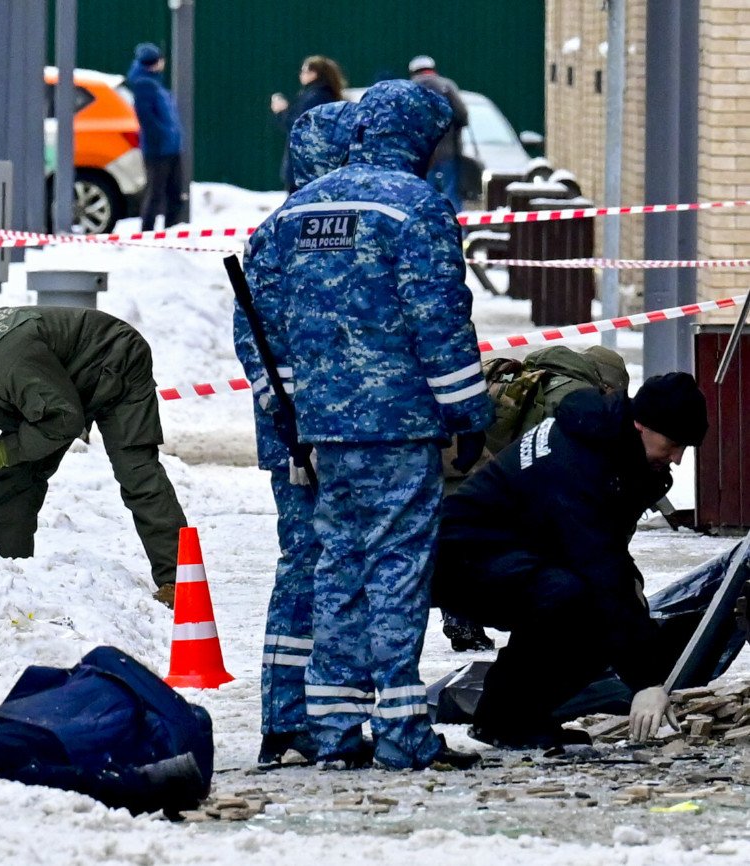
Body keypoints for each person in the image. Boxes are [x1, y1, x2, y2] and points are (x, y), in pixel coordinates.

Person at [247, 79, 492, 770]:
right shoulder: (415, 206)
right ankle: (403, 731)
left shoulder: (297, 210)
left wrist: (290, 413)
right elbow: (439, 319)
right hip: (397, 425)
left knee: (336, 567)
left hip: (323, 430)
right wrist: (468, 410)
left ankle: (331, 728)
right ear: (417, 138)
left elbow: (266, 329)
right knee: (398, 568)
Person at [433, 373, 709, 748]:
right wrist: (646, 681)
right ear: (640, 425)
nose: (677, 458)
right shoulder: (577, 460)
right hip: (462, 559)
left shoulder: (608, 442)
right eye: (673, 444)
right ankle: (508, 719)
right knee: (578, 603)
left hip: (512, 553)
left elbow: (605, 554)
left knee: (601, 603)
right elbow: (599, 568)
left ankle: (506, 717)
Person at [0, 306, 188, 605]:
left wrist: (3, 450)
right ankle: (11, 579)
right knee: (16, 477)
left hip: (112, 360)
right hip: (52, 388)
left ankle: (180, 581)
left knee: (136, 472)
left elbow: (64, 418)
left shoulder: (5, 365)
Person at [239, 99, 361, 765]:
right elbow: (262, 343)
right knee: (315, 564)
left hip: (314, 426)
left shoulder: (286, 228)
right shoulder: (301, 230)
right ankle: (296, 715)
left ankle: (304, 713)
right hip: (311, 433)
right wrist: (299, 419)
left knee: (314, 564)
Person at [440, 344, 630, 652]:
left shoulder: (538, 374)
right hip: (474, 467)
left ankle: (462, 612)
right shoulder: (573, 394)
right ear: (608, 383)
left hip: (457, 459)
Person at [126, 43, 184, 232]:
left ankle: (170, 231)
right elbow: (147, 118)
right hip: (159, 149)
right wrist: (163, 137)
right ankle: (150, 232)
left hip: (168, 146)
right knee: (157, 193)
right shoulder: (145, 85)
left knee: (171, 193)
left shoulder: (152, 82)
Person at [269, 56, 345, 192]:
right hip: (318, 164)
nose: (300, 74)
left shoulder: (313, 97)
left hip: (304, 166)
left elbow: (298, 126)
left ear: (314, 73)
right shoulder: (326, 95)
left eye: (304, 71)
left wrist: (282, 112)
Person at [407, 56, 468, 212]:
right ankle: (455, 224)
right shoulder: (446, 86)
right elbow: (462, 114)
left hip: (422, 154)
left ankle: (427, 224)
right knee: (451, 192)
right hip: (448, 151)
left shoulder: (409, 89)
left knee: (425, 192)